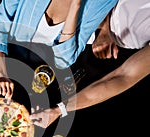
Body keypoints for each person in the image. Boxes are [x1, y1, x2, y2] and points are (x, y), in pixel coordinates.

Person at [30, 0, 150, 128]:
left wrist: (59, 110)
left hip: (93, 39)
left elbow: (124, 77)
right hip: (92, 11)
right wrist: (105, 30)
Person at [0, 0, 118, 99]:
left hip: (55, 73)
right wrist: (1, 72)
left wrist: (75, 6)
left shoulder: (98, 2)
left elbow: (64, 59)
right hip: (7, 58)